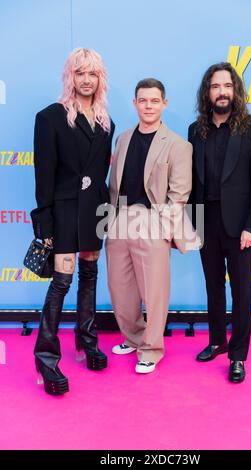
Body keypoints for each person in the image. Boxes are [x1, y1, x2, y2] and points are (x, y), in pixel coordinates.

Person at [31, 48, 115, 395]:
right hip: (63, 211)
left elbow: (100, 175)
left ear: (100, 79)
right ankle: (46, 356)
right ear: (70, 76)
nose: (85, 80)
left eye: (92, 73)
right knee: (62, 281)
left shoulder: (107, 122)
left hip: (94, 210)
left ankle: (87, 340)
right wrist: (45, 227)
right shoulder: (50, 117)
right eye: (79, 73)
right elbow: (43, 178)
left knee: (91, 273)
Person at [106, 78, 200, 374]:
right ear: (135, 103)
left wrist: (162, 227)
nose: (148, 106)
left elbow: (180, 192)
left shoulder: (177, 145)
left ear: (164, 104)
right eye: (143, 100)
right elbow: (113, 183)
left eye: (154, 101)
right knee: (121, 289)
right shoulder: (122, 138)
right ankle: (133, 338)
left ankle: (151, 349)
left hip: (153, 220)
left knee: (154, 290)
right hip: (120, 219)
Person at [188, 62, 251, 383]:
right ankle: (217, 340)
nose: (221, 92)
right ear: (207, 93)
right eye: (215, 86)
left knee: (241, 290)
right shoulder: (196, 130)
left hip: (240, 225)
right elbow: (191, 182)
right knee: (213, 286)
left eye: (227, 86)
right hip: (204, 221)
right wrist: (186, 224)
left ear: (235, 90)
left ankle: (238, 355)